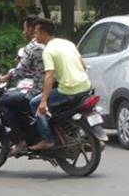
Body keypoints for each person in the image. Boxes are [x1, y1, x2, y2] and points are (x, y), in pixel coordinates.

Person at [28, 18, 91, 151]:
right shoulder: (68, 43)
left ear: (44, 33)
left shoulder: (48, 51)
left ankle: (48, 140)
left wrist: (43, 102)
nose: (34, 36)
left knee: (35, 103)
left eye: (36, 33)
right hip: (86, 86)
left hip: (69, 91)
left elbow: (49, 76)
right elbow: (83, 65)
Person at [0, 15, 45, 155]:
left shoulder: (32, 47)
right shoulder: (50, 44)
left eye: (24, 28)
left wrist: (0, 79)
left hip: (38, 91)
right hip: (52, 88)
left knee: (4, 101)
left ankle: (21, 141)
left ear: (32, 29)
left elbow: (19, 71)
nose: (23, 32)